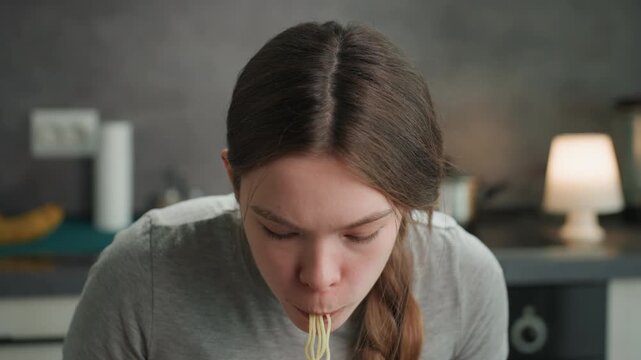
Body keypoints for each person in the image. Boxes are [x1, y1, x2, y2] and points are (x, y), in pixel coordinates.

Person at [63, 21, 508, 360]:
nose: (318, 277)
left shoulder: (466, 282)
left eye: (360, 235)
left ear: (408, 205)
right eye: (280, 231)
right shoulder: (143, 277)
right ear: (234, 183)